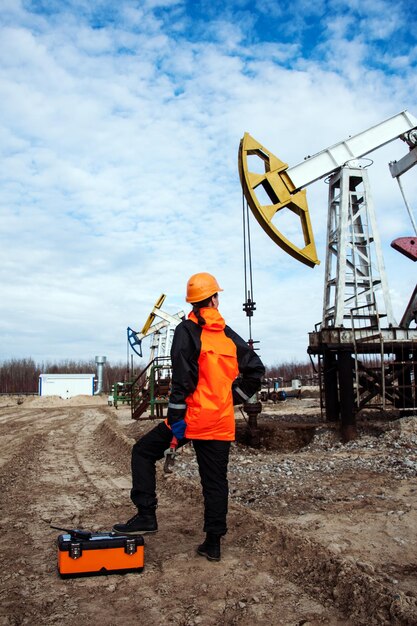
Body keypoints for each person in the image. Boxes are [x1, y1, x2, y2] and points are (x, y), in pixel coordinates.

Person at [113, 272, 265, 561]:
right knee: (215, 483)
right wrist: (232, 399)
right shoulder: (228, 335)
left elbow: (183, 381)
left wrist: (177, 419)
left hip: (191, 420)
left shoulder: (186, 331)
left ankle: (146, 515)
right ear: (214, 299)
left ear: (193, 303)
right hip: (219, 421)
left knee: (143, 453)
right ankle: (213, 543)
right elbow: (255, 370)